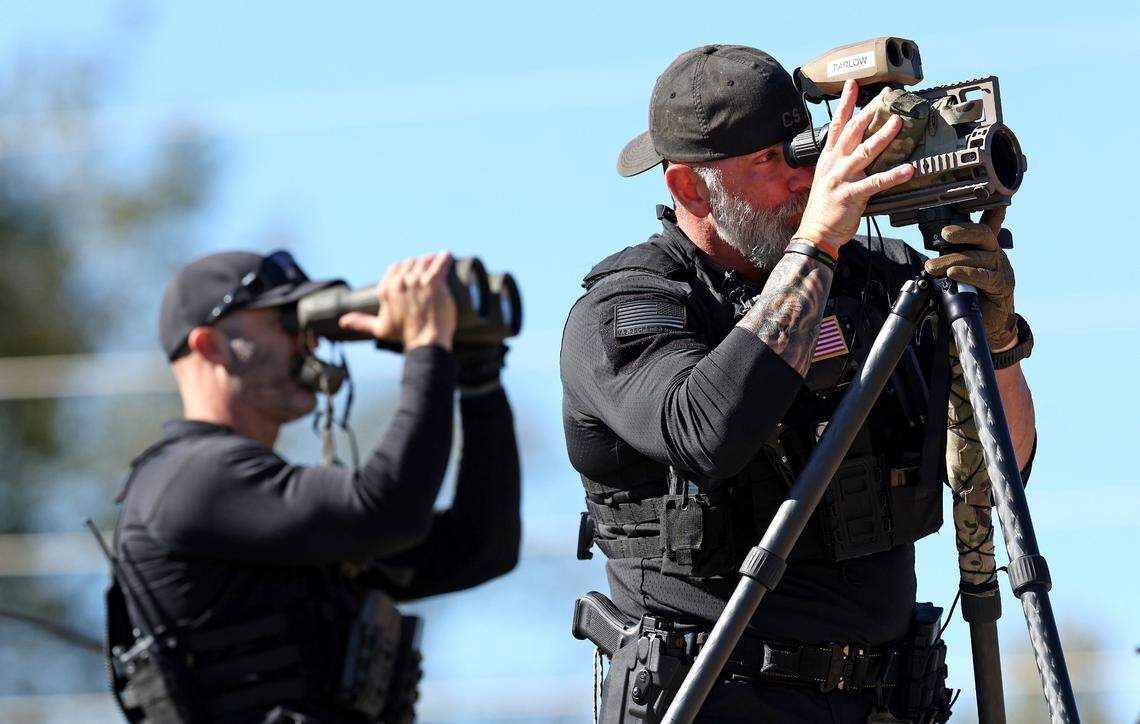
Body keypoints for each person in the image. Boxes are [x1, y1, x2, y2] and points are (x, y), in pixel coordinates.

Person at [561, 45, 1036, 722]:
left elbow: (999, 474)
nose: (804, 178)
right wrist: (816, 244)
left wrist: (998, 344)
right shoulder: (629, 309)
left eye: (804, 151)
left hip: (885, 701)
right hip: (714, 700)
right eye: (768, 161)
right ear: (691, 188)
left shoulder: (879, 281)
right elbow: (706, 430)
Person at [106, 249, 521, 723]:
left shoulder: (254, 498)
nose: (309, 341)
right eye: (285, 321)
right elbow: (387, 512)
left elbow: (479, 548)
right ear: (211, 346)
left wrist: (479, 381)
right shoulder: (188, 479)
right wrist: (427, 347)